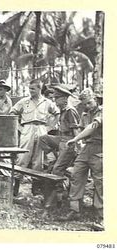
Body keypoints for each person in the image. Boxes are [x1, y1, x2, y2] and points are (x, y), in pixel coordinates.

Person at [59, 88, 103, 230]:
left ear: (95, 100)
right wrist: (78, 142)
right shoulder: (85, 114)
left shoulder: (103, 111)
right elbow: (84, 128)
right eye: (85, 104)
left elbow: (93, 126)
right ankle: (75, 209)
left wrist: (76, 138)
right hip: (87, 148)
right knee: (76, 175)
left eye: (89, 103)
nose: (87, 106)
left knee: (100, 182)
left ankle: (101, 215)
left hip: (100, 148)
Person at [10, 79, 59, 195]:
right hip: (27, 128)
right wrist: (19, 127)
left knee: (39, 160)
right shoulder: (24, 102)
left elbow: (57, 113)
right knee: (22, 157)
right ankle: (15, 187)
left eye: (33, 88)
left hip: (42, 129)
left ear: (39, 89)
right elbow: (12, 112)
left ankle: (35, 188)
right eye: (29, 88)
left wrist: (50, 127)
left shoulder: (47, 102)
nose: (30, 91)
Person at [39, 84, 80, 212]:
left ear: (64, 99)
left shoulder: (70, 111)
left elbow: (76, 131)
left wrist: (77, 146)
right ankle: (53, 159)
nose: (55, 101)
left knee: (57, 170)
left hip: (69, 141)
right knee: (43, 138)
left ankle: (59, 199)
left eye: (57, 98)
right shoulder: (62, 110)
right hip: (62, 138)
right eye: (54, 98)